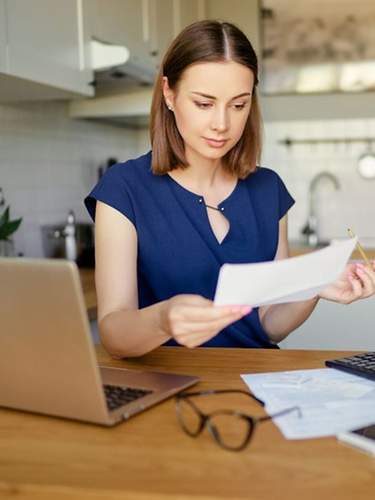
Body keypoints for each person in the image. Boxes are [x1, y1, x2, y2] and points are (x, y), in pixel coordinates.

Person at [85, 20, 375, 358]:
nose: (222, 124)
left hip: (256, 381)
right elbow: (114, 331)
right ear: (169, 93)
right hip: (166, 385)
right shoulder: (124, 189)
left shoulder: (268, 190)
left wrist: (313, 287)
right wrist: (163, 320)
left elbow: (268, 323)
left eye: (238, 105)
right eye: (204, 104)